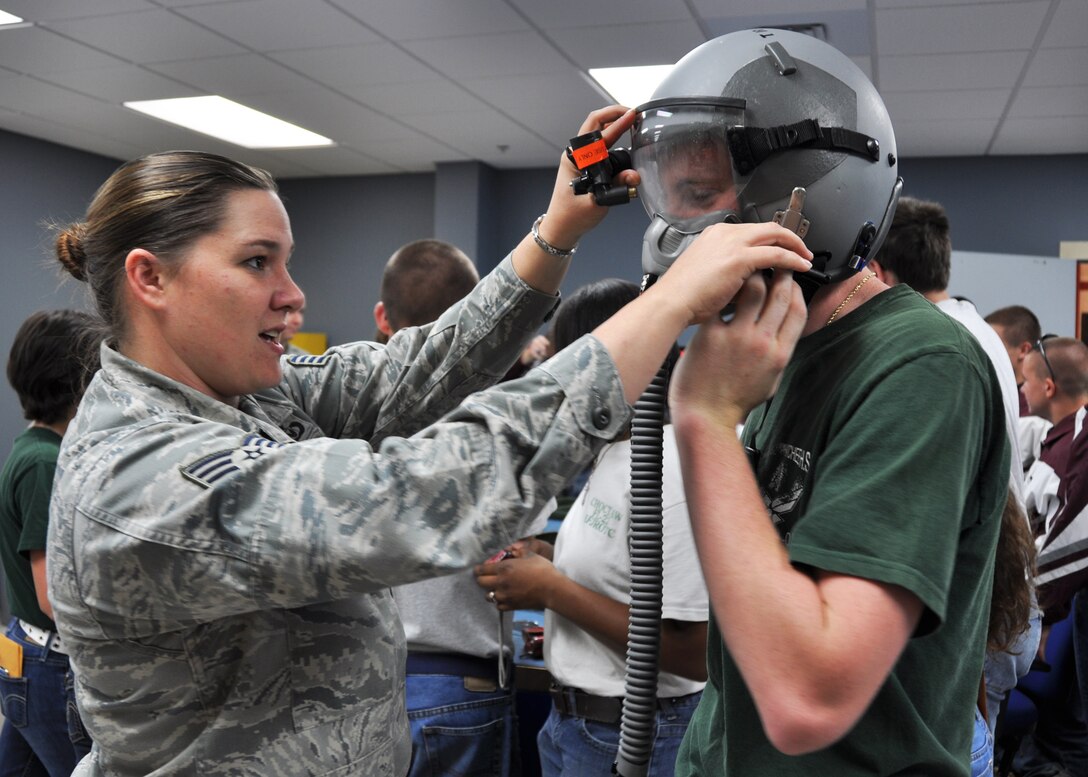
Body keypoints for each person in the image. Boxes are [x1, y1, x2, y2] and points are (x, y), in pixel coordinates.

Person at [45, 105, 815, 777]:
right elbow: (421, 494)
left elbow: (411, 370)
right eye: (256, 263)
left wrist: (556, 230)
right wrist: (673, 300)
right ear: (151, 279)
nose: (294, 292)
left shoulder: (247, 389)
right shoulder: (139, 475)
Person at [622, 30, 1009, 776]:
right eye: (671, 200)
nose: (672, 235)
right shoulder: (776, 349)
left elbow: (808, 698)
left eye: (699, 198)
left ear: (811, 194)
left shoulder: (920, 362)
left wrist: (702, 415)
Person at [474, 278, 709, 776]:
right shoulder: (614, 451)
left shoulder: (668, 467)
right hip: (578, 725)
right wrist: (544, 557)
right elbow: (628, 576)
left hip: (636, 733)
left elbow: (694, 654)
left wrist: (553, 590)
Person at [868, 195, 1040, 757]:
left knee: (961, 743)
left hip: (977, 596)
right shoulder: (976, 328)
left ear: (880, 272)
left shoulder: (931, 349)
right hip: (1001, 588)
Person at [375, 238, 529, 777]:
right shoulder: (492, 421)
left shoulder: (341, 419)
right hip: (463, 685)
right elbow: (521, 541)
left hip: (366, 688)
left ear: (381, 317)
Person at [0, 309, 101, 776]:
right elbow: (52, 597)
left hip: (24, 655)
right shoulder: (45, 463)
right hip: (49, 665)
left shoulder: (30, 446)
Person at [1011, 336, 1088, 777]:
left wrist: (1039, 610)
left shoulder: (1077, 438)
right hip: (1063, 600)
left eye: (1025, 383)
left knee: (1071, 732)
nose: (1021, 392)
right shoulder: (1060, 437)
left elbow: (1068, 539)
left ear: (1049, 387)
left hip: (1064, 600)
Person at [986, 305, 1052, 472]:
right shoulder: (992, 395)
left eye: (994, 345)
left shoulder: (1038, 411)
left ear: (1023, 350)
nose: (985, 352)